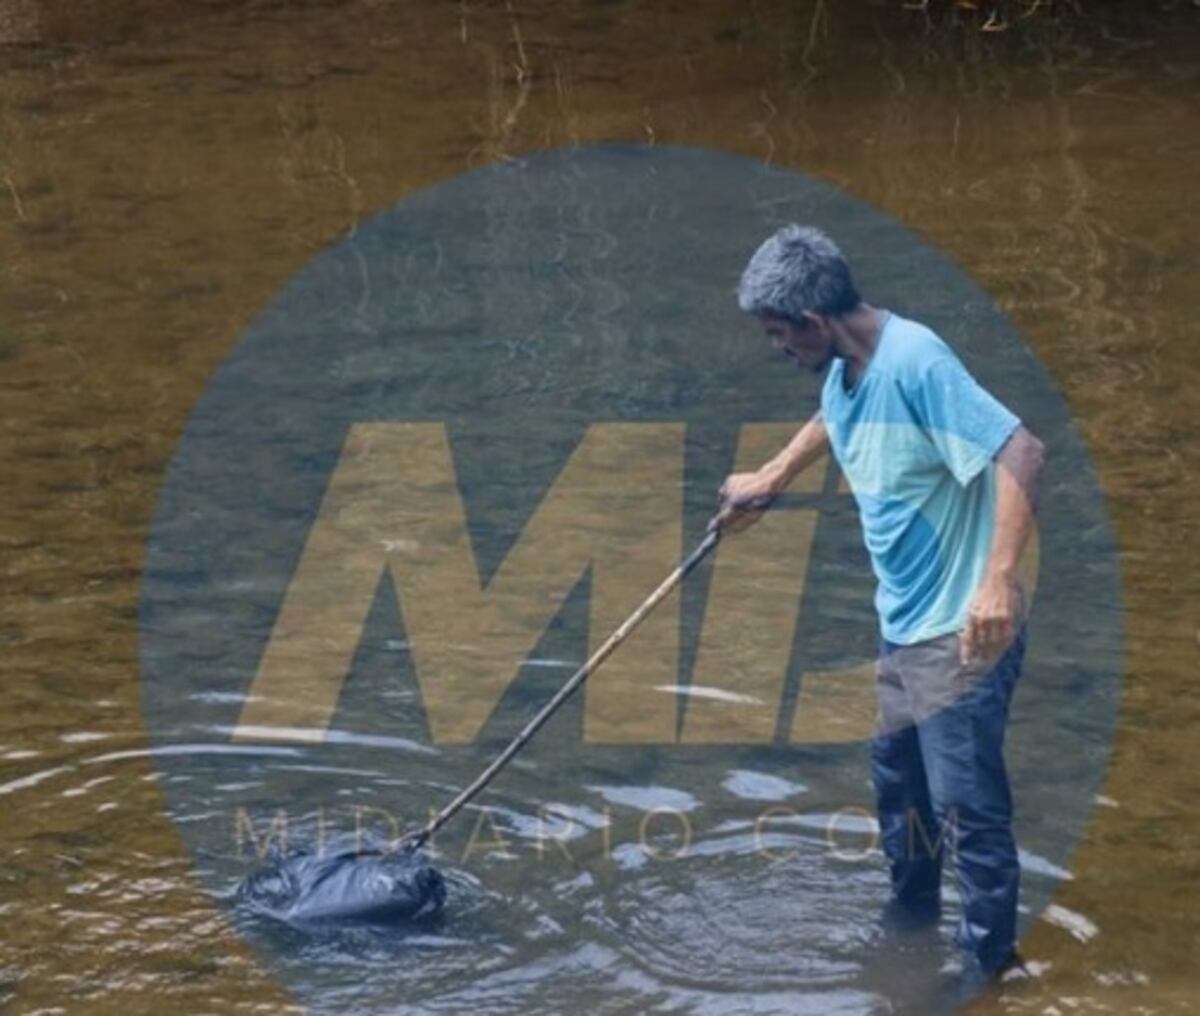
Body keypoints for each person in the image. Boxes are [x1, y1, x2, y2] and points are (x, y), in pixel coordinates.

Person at [716, 225, 1044, 984]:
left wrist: (996, 580)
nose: (777, 349)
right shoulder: (849, 365)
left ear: (813, 321)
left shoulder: (915, 360)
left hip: (963, 631)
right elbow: (837, 412)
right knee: (902, 794)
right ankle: (912, 928)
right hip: (905, 630)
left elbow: (1022, 450)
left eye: (778, 335)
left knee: (968, 810)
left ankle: (989, 969)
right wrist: (772, 475)